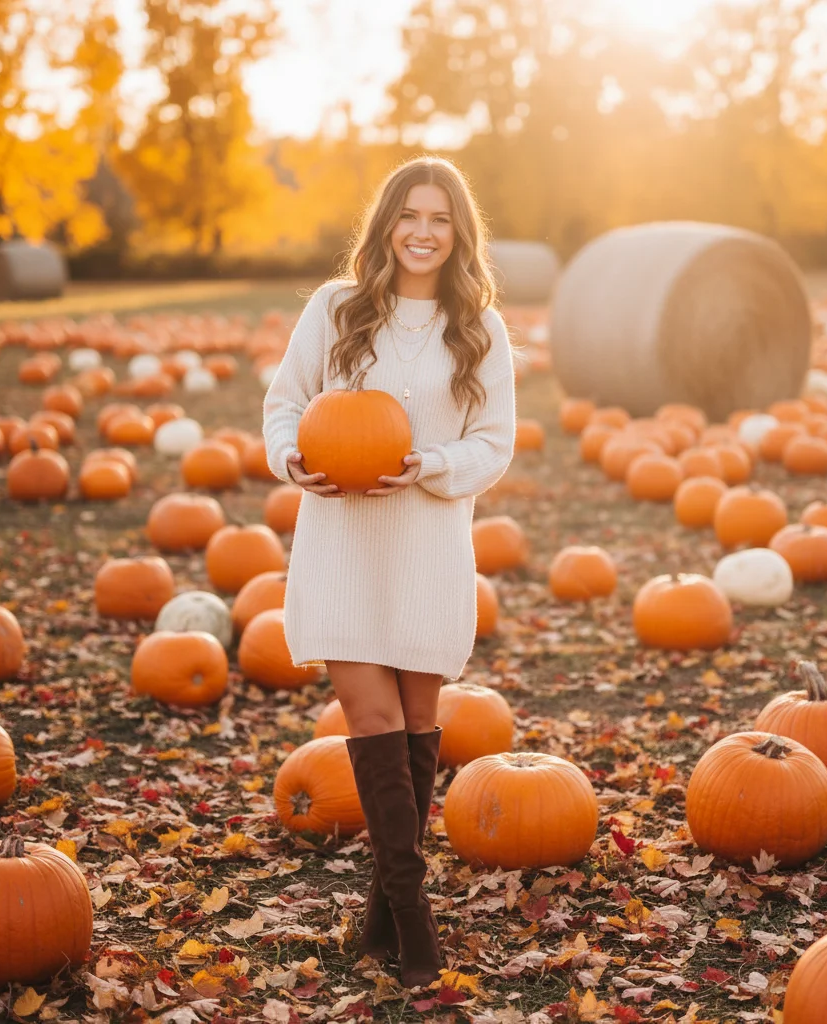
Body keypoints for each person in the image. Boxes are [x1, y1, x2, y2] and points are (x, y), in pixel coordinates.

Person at [262, 155, 516, 987]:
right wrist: (293, 460)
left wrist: (431, 461)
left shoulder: (477, 324)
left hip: (428, 540)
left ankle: (377, 916)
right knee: (371, 717)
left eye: (441, 218)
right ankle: (415, 922)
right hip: (343, 540)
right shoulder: (336, 309)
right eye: (410, 214)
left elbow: (495, 443)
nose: (423, 232)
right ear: (386, 223)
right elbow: (286, 404)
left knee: (416, 727)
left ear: (459, 233)